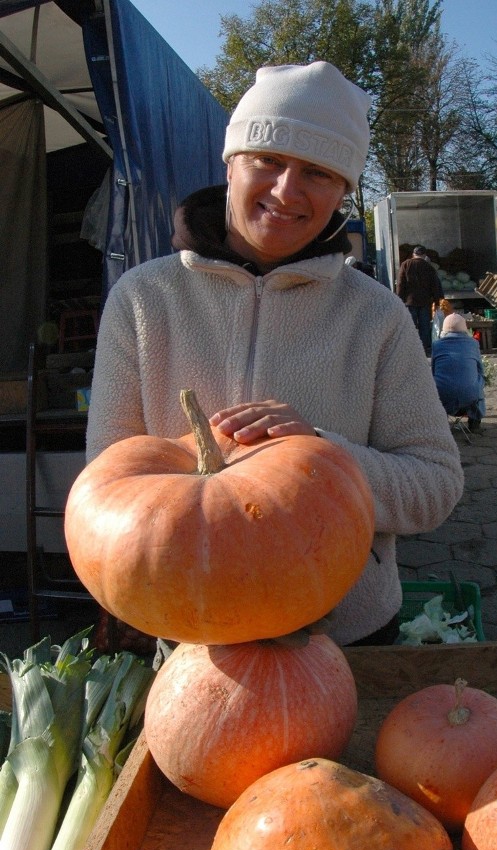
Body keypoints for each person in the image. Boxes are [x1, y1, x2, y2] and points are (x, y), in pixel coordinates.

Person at [86, 61, 464, 647]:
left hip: (343, 637)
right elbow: (107, 485)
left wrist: (320, 455)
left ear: (342, 191)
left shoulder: (376, 316)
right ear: (231, 162)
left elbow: (435, 484)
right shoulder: (142, 299)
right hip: (193, 633)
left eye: (317, 172)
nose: (287, 191)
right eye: (268, 160)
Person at [431, 303, 486, 432]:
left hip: (442, 396)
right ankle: (474, 423)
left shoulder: (437, 345)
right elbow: (480, 369)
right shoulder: (473, 344)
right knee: (479, 381)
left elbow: (433, 371)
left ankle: (438, 424)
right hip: (469, 397)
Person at [396, 245, 443, 354]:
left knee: (409, 326)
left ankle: (409, 348)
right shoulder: (429, 267)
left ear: (413, 254)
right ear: (424, 255)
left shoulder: (406, 264)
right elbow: (435, 286)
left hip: (409, 301)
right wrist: (437, 302)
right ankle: (424, 349)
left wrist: (399, 300)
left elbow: (400, 284)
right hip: (425, 302)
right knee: (424, 326)